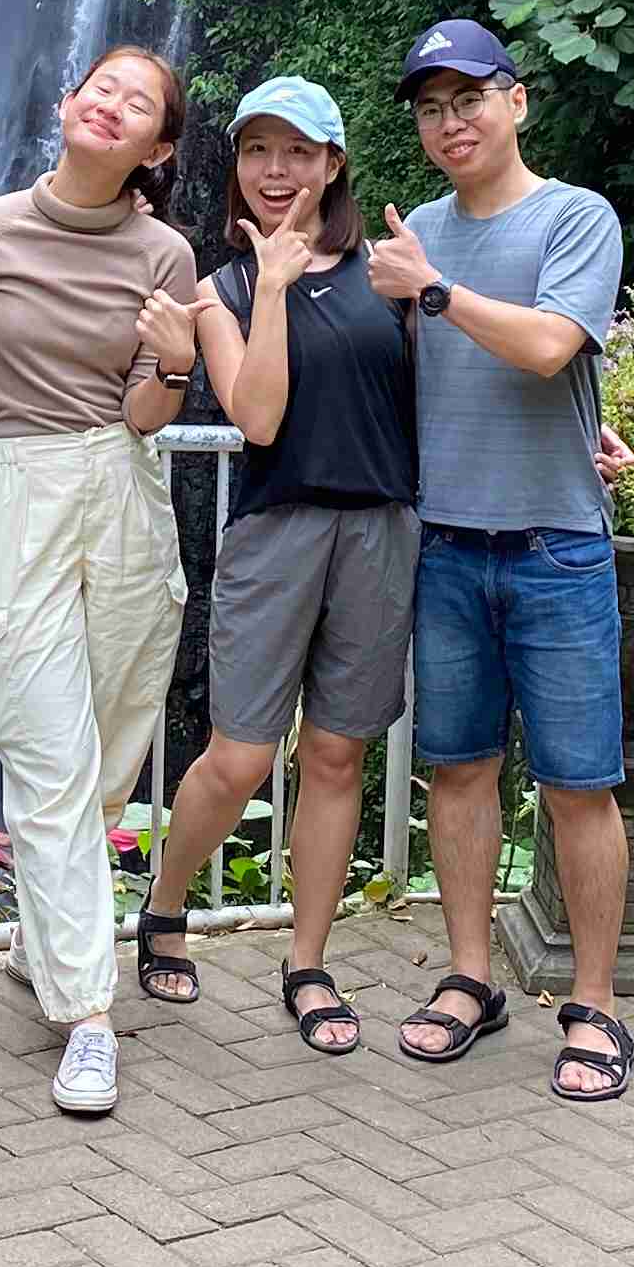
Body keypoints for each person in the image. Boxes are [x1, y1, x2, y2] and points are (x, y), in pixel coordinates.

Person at [370, 16, 634, 1104]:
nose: (449, 123)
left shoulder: (574, 217)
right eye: (430, 109)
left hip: (555, 548)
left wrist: (432, 291)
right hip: (445, 546)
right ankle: (470, 980)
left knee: (580, 786)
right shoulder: (414, 231)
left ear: (515, 101)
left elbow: (544, 348)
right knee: (461, 770)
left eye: (467, 99)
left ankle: (598, 1006)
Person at [128, 78, 412, 1055]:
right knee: (242, 755)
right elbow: (256, 418)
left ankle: (308, 962)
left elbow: (435, 396)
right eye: (257, 153)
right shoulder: (221, 290)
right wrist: (280, 284)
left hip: (379, 530)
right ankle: (164, 904)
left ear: (334, 162)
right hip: (276, 531)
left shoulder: (387, 273)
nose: (276, 172)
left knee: (337, 755)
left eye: (297, 153)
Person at [0, 45, 199, 1116]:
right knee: (48, 758)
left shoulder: (167, 253)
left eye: (137, 102)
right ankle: (88, 1017)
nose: (112, 106)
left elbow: (148, 412)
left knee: (110, 747)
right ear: (66, 104)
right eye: (101, 88)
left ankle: (44, 938)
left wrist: (177, 358)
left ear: (159, 147)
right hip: (21, 489)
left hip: (126, 490)